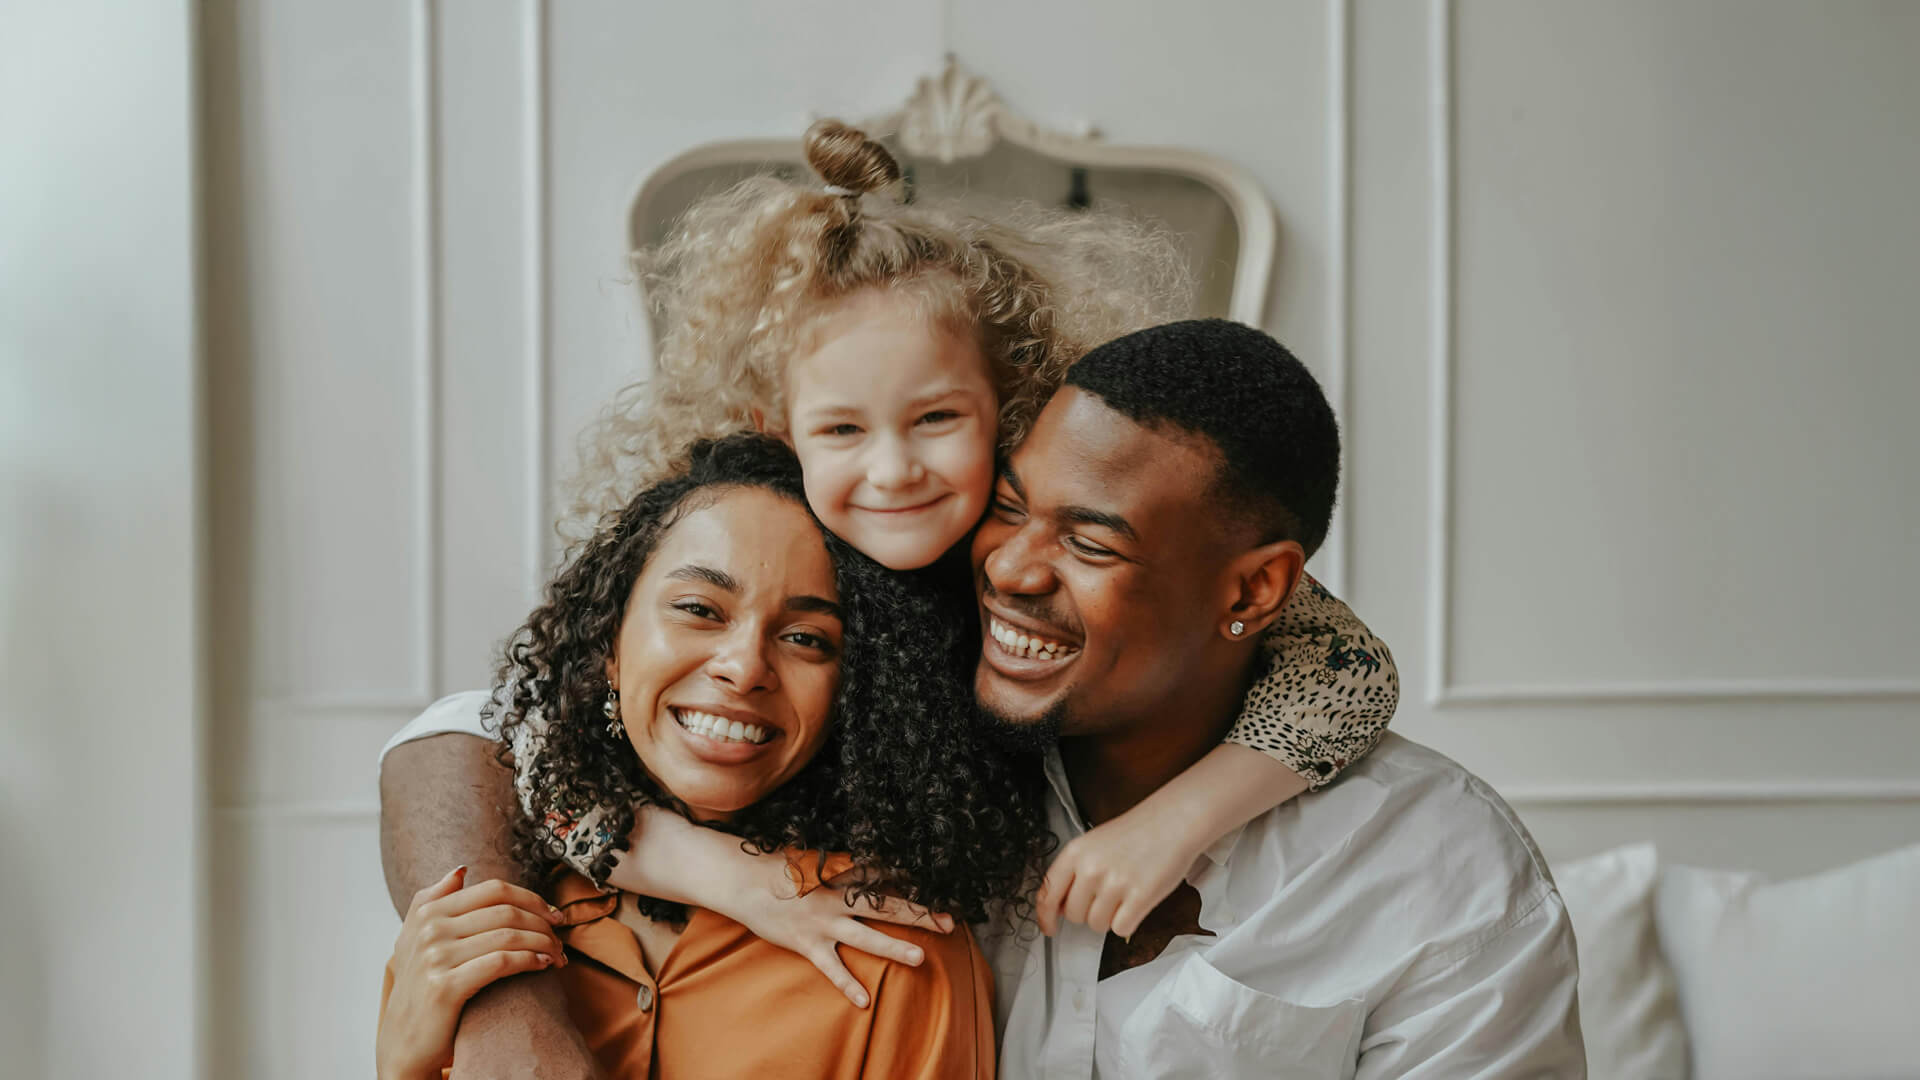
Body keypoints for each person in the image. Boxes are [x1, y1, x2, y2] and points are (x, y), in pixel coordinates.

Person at [973, 321, 1585, 1075]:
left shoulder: (1437, 869)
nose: (1009, 569)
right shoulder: (908, 760)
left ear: (1256, 590)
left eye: (1091, 545)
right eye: (1008, 505)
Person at [377, 434, 1052, 1079]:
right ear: (610, 645)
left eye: (808, 639)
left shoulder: (894, 953)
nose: (744, 667)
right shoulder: (478, 930)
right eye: (700, 608)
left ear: (855, 692)